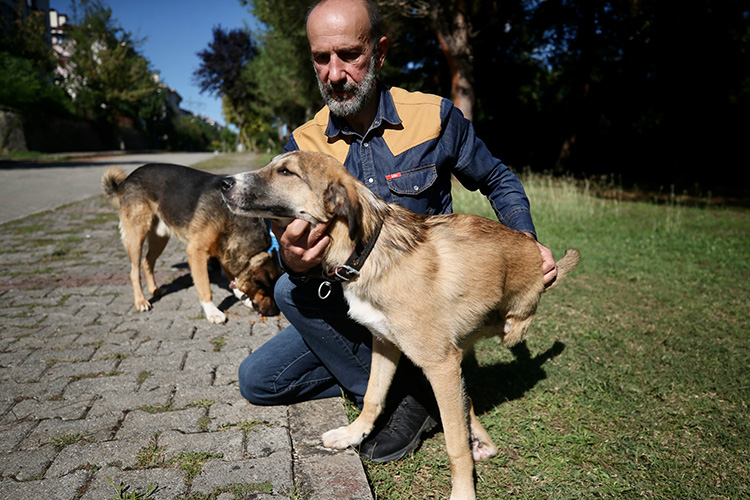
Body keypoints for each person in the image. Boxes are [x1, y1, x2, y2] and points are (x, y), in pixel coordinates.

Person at [238, 0, 558, 463]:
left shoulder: (434, 117)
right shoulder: (302, 146)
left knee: (379, 334)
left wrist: (525, 240)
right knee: (261, 377)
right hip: (349, 302)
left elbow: (497, 179)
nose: (334, 72)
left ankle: (416, 397)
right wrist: (290, 256)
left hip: (422, 301)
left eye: (349, 54)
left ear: (380, 52)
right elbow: (281, 235)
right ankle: (418, 380)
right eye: (321, 58)